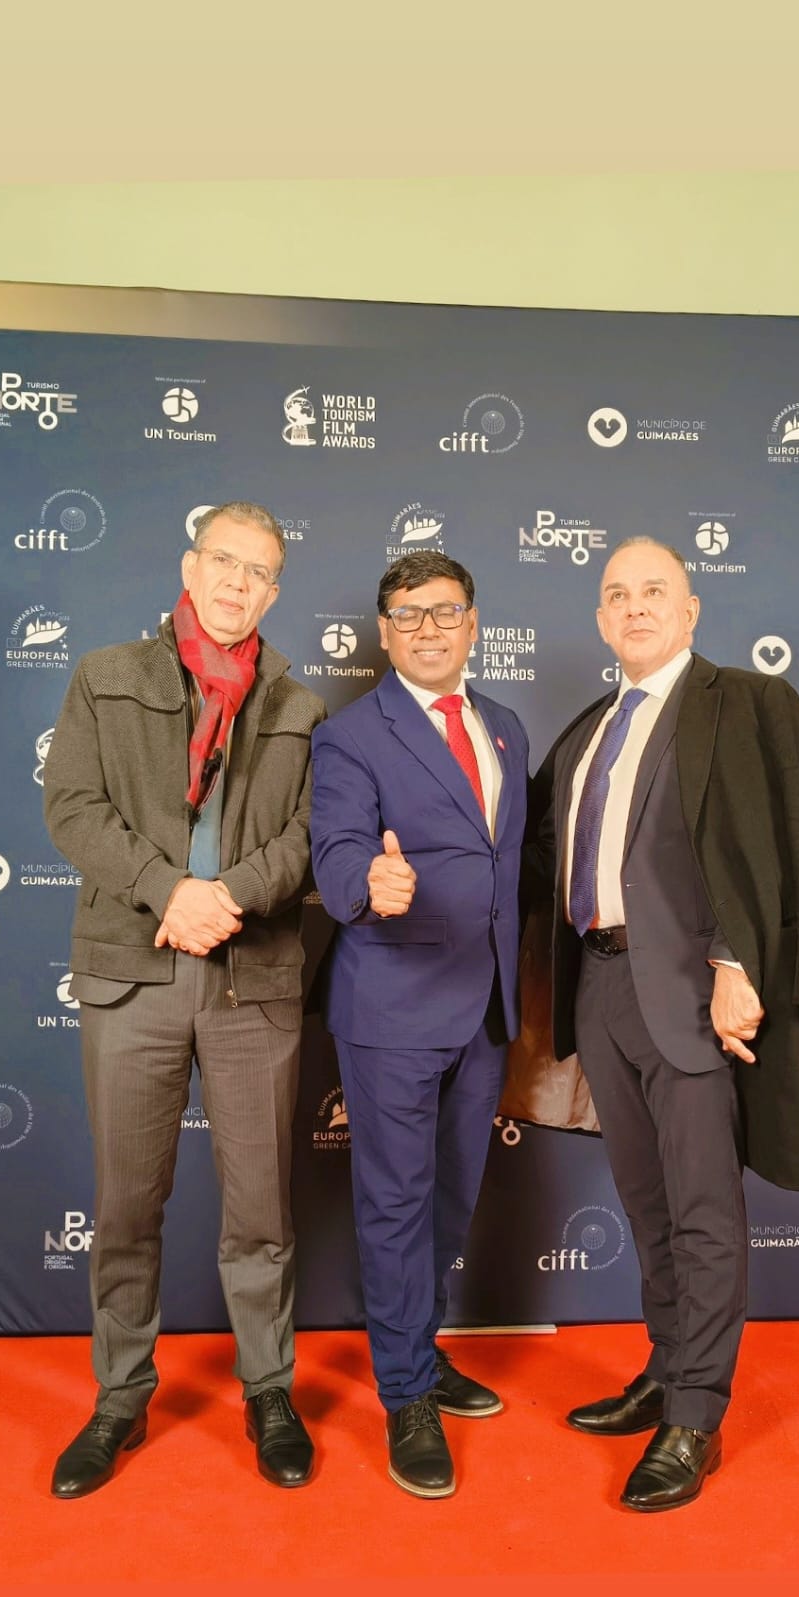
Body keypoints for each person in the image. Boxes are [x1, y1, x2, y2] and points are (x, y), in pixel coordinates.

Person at [527, 536, 799, 1512]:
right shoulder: (589, 728)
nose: (635, 606)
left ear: (691, 609)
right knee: (646, 1204)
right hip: (600, 988)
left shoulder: (751, 703)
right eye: (617, 594)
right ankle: (668, 1368)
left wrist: (738, 962)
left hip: (693, 992)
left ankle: (696, 1417)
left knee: (703, 1209)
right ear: (601, 619)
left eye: (655, 590)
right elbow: (540, 856)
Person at [43, 502, 326, 1497]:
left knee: (261, 1208)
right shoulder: (105, 674)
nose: (238, 583)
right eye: (224, 562)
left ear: (274, 591)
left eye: (259, 571)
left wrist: (227, 896)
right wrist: (169, 889)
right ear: (190, 566)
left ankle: (270, 1389)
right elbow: (72, 805)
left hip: (254, 977)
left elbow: (308, 835)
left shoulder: (300, 704)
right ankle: (120, 1395)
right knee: (127, 1203)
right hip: (135, 966)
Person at [310, 551, 528, 1498]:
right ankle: (404, 1395)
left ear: (473, 623)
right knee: (395, 1204)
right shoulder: (351, 735)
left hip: (484, 1006)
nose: (428, 629)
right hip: (392, 1004)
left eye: (445, 611)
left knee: (448, 1200)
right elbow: (336, 847)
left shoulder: (505, 725)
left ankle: (421, 1351)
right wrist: (368, 882)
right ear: (384, 632)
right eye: (408, 614)